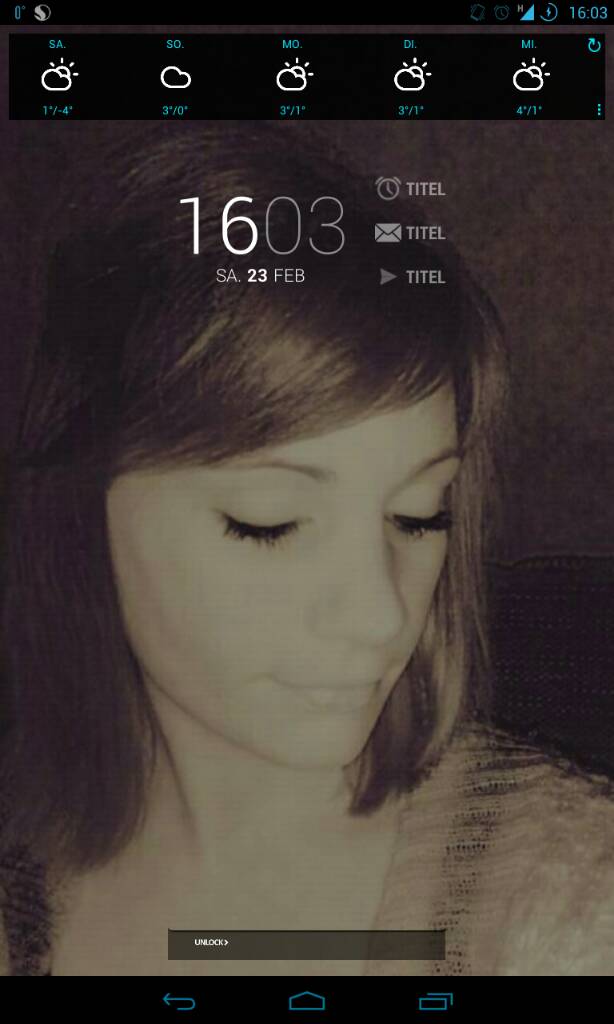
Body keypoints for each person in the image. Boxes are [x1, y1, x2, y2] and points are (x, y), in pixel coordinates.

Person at [1, 123, 613, 977]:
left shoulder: (573, 905)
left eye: (419, 516)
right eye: (271, 522)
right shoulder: (21, 879)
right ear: (81, 506)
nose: (382, 615)